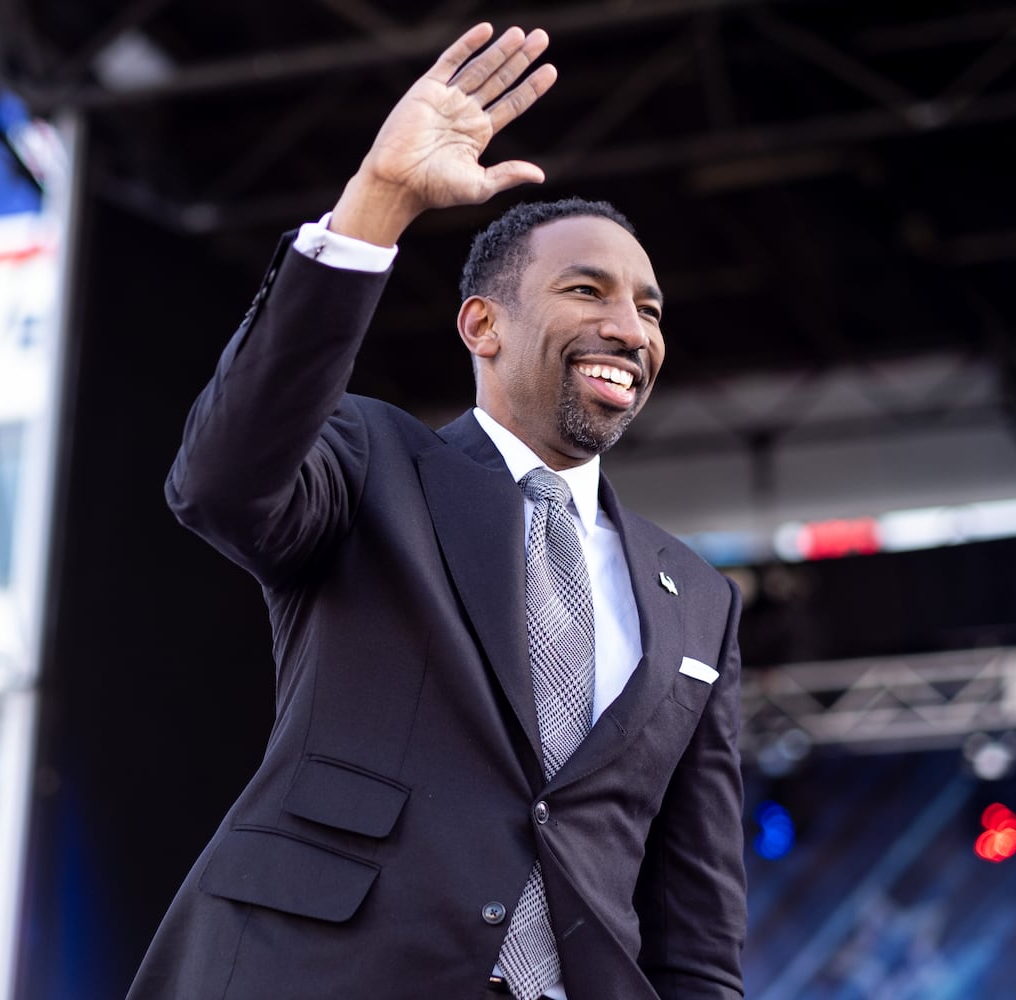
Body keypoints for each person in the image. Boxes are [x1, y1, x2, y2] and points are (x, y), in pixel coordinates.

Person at [128, 23, 746, 1000]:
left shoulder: (698, 597)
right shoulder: (375, 462)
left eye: (650, 308)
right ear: (482, 324)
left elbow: (697, 917)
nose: (627, 327)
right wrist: (381, 199)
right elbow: (220, 482)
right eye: (586, 290)